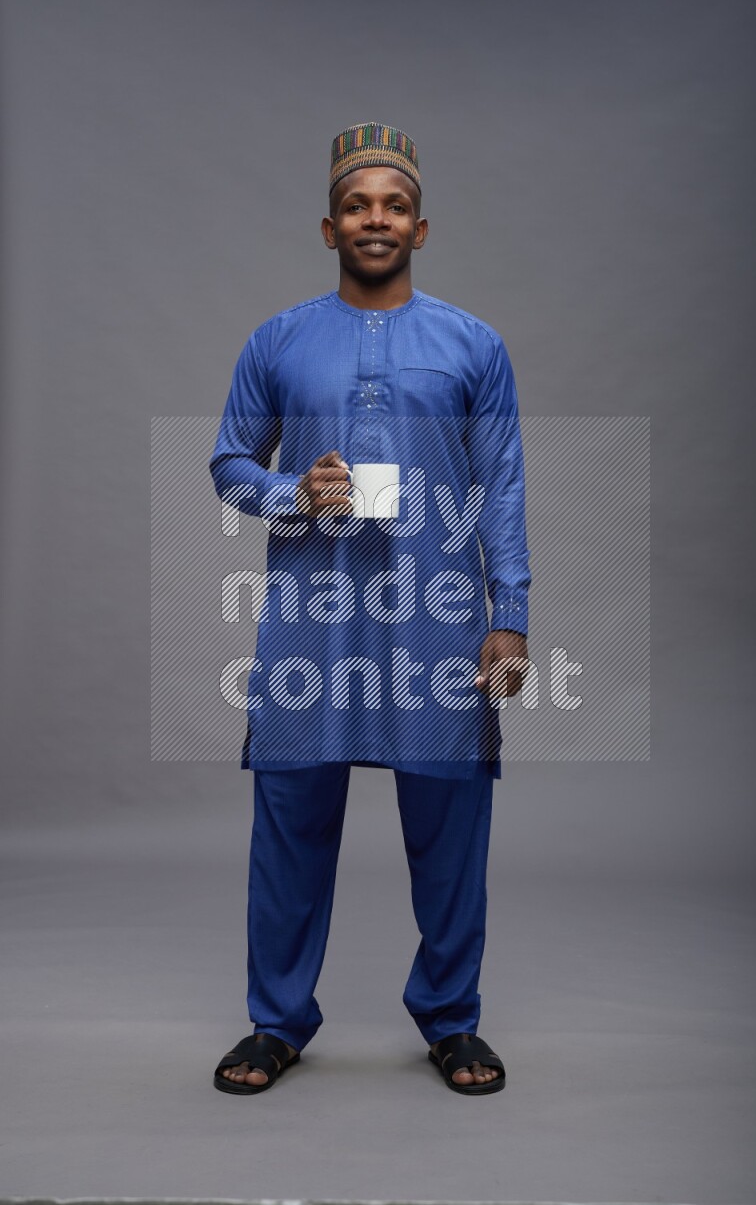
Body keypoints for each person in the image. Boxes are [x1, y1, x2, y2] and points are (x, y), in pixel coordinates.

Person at [209, 123, 531, 1096]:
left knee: (450, 826)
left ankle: (449, 1018)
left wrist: (507, 612)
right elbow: (228, 460)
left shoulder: (472, 344)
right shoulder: (280, 339)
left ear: (420, 227)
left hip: (434, 622)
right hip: (313, 619)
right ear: (328, 226)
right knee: (289, 824)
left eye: (392, 205)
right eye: (357, 205)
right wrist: (287, 493)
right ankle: (275, 1021)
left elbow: (502, 485)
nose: (374, 219)